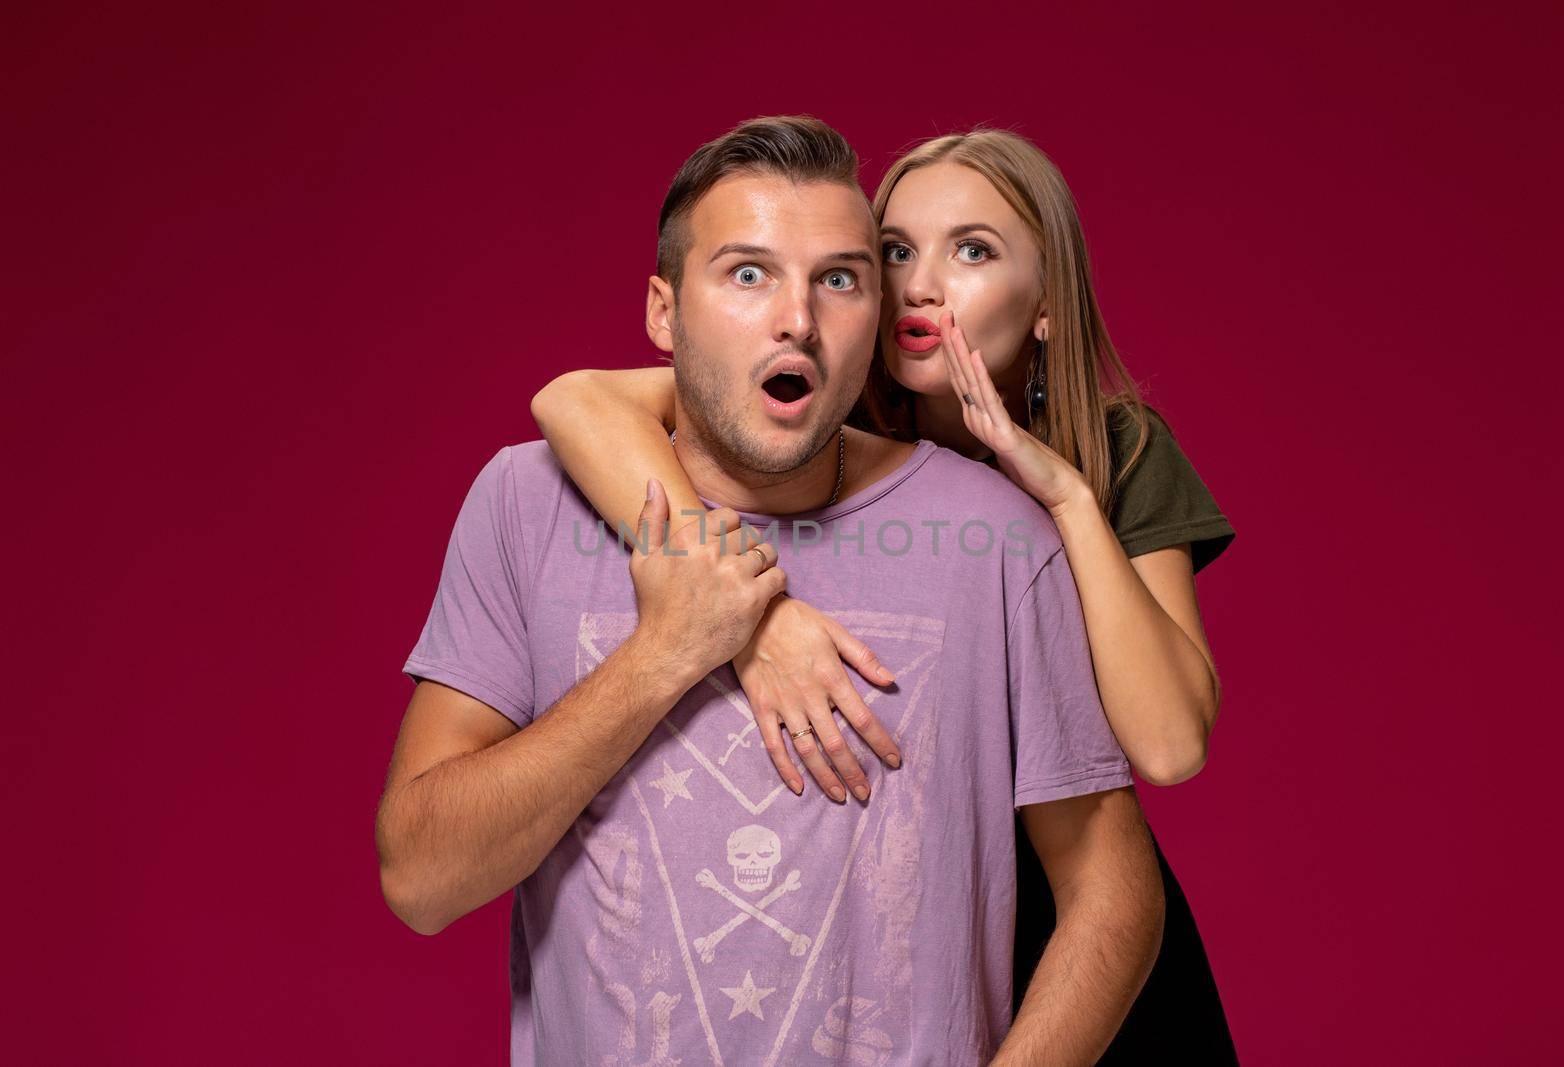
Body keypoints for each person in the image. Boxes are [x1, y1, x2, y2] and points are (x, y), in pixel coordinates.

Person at [377, 115, 1164, 1065]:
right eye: (747, 274)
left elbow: (1112, 884)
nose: (797, 317)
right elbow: (420, 878)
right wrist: (670, 650)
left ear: (875, 315)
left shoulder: (996, 539)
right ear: (664, 313)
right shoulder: (524, 503)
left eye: (838, 279)